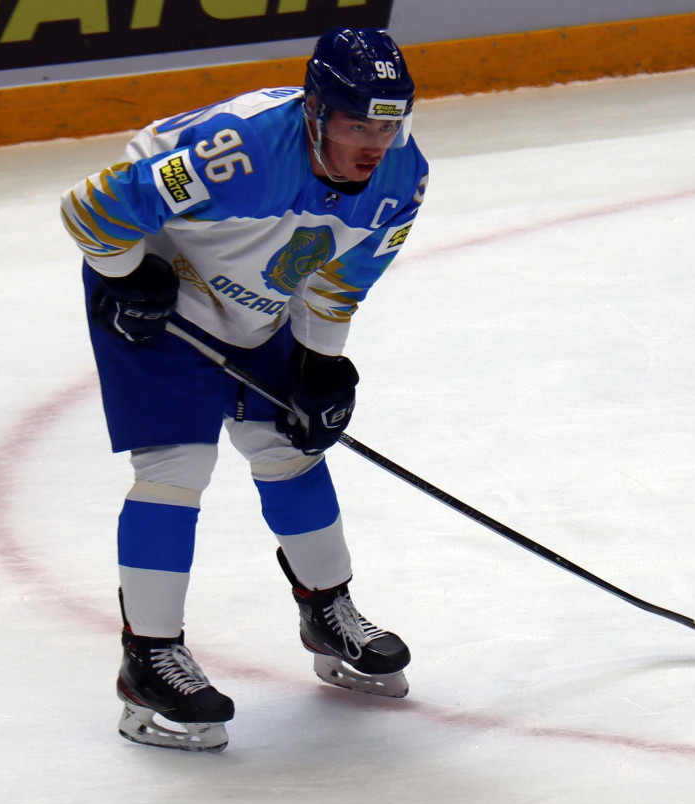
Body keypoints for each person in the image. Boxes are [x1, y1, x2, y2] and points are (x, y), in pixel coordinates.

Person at [60, 27, 429, 752]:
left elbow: (340, 281)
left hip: (259, 301)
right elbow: (90, 208)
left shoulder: (402, 178)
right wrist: (130, 276)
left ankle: (327, 609)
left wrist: (320, 365)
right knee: (175, 466)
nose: (374, 146)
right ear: (316, 112)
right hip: (161, 299)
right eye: (358, 126)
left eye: (387, 126)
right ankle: (149, 658)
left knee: (292, 449)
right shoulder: (240, 151)